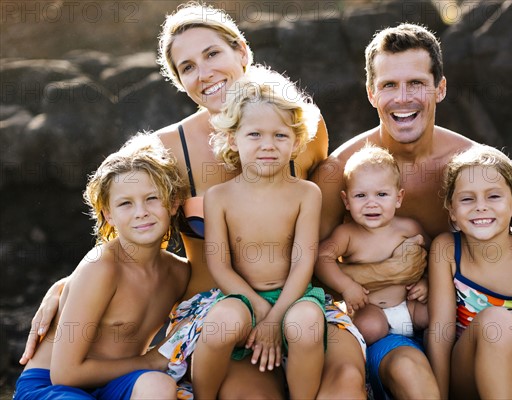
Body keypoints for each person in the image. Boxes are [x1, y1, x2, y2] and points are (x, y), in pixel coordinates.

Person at [21, 3, 367, 399]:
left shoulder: (299, 123)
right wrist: (67, 286)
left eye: (212, 54)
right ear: (180, 82)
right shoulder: (166, 150)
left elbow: (333, 215)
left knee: (343, 388)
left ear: (242, 51)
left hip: (302, 302)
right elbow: (127, 222)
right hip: (219, 311)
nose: (204, 74)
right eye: (187, 68)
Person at [311, 23, 512, 399]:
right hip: (380, 325)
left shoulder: (468, 166)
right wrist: (384, 272)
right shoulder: (344, 172)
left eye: (416, 83)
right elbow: (303, 268)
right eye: (389, 85)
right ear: (371, 93)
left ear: (440, 88)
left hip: (466, 331)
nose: (403, 98)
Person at [13, 134, 190, 400]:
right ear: (109, 214)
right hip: (51, 385)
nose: (141, 211)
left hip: (114, 380)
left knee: (159, 386)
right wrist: (151, 361)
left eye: (152, 198)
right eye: (125, 203)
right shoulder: (101, 267)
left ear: (173, 203)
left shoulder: (179, 273)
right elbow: (66, 375)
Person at [188, 67, 324, 398]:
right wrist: (262, 313)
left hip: (295, 296)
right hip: (241, 296)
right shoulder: (219, 197)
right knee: (219, 326)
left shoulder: (306, 194)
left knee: (304, 327)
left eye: (280, 135)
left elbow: (303, 263)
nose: (268, 145)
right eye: (255, 135)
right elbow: (219, 266)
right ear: (233, 138)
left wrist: (277, 317)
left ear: (296, 142)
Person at [427, 145, 512, 398]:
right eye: (467, 199)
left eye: (493, 196)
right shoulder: (447, 250)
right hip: (470, 376)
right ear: (452, 212)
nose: (481, 207)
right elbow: (441, 332)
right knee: (496, 322)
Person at [316, 144, 429, 347]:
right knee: (370, 327)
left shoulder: (409, 227)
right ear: (346, 200)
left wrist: (426, 282)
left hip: (409, 304)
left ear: (399, 198)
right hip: (372, 308)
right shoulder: (347, 234)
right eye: (361, 196)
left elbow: (432, 256)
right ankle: (368, 360)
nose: (371, 203)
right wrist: (347, 286)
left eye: (381, 195)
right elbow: (321, 258)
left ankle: (435, 353)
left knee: (436, 314)